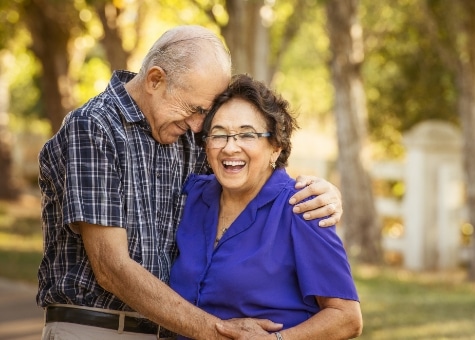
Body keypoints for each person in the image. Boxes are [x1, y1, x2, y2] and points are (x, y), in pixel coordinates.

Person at [37, 25, 344, 340]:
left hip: (171, 330)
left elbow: (250, 171)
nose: (199, 125)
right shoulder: (93, 128)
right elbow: (110, 268)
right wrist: (219, 332)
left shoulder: (184, 133)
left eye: (206, 113)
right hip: (98, 328)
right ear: (156, 79)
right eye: (195, 109)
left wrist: (323, 192)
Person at [169, 74, 363, 340]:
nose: (230, 147)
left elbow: (347, 317)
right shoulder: (193, 195)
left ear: (276, 147)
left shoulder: (302, 207)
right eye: (219, 134)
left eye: (247, 135)